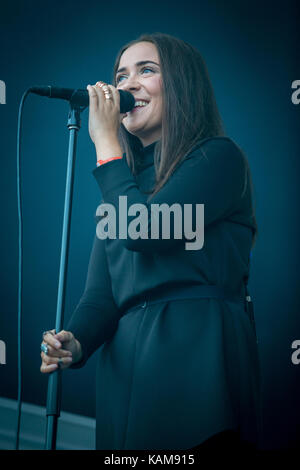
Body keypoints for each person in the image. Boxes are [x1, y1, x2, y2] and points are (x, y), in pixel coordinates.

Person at [40, 32, 262, 451]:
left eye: (147, 70)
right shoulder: (122, 187)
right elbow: (101, 297)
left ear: (182, 84)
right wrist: (76, 339)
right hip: (126, 374)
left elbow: (147, 231)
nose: (127, 84)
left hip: (198, 360)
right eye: (121, 75)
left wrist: (106, 147)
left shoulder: (218, 158)